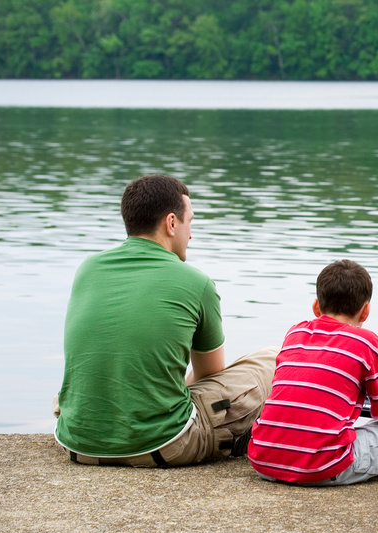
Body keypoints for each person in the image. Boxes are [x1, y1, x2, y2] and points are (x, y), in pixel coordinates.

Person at [53, 174, 275, 467]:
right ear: (171, 223)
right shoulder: (196, 282)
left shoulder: (88, 268)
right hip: (165, 444)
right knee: (271, 360)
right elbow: (210, 373)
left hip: (77, 443)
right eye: (190, 222)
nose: (191, 234)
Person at [247, 259, 378, 485]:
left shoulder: (294, 333)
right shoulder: (368, 342)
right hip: (323, 468)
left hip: (263, 461)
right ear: (365, 311)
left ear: (316, 307)